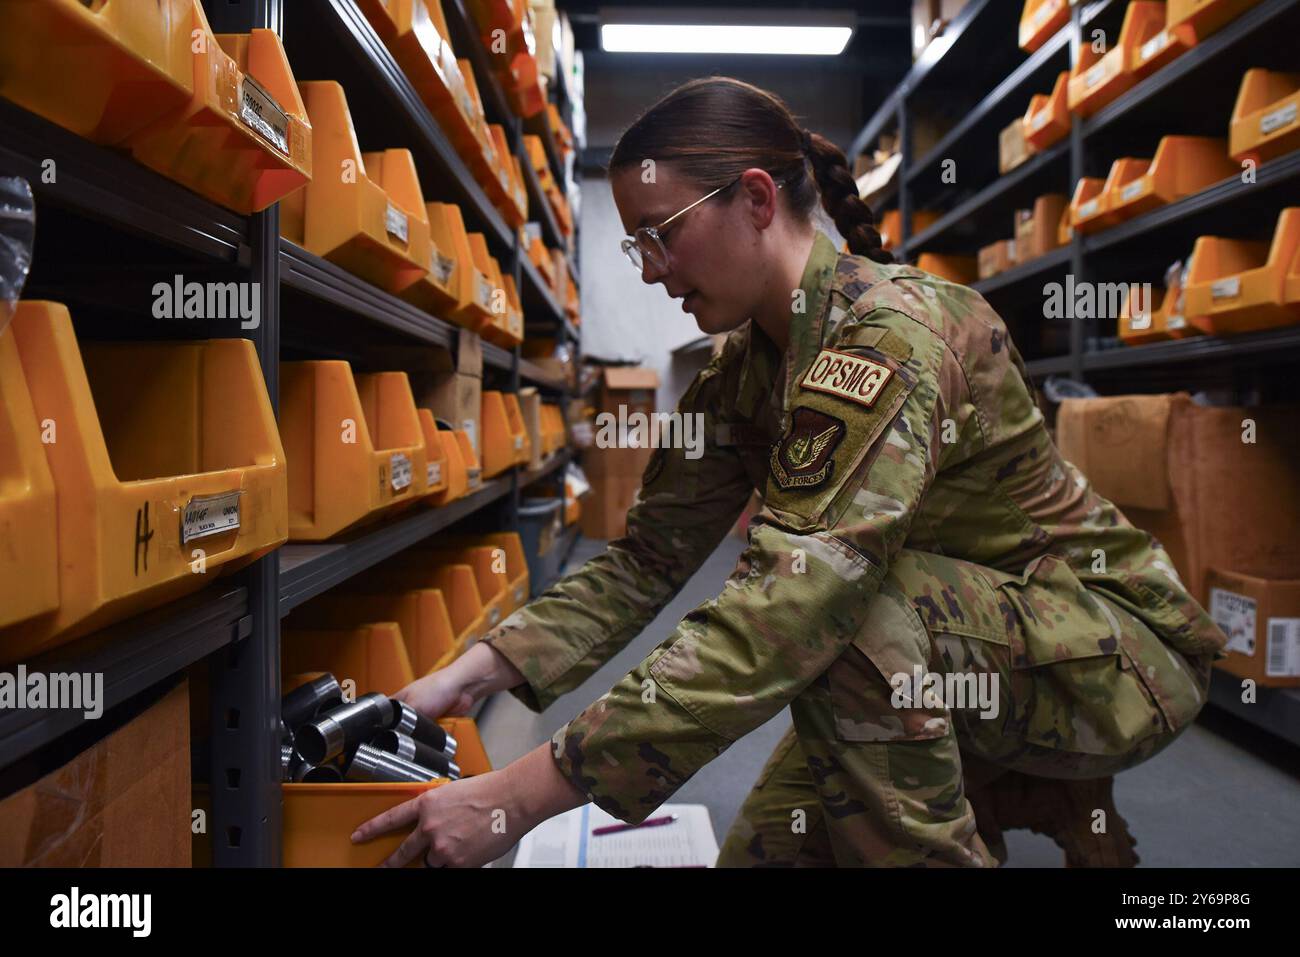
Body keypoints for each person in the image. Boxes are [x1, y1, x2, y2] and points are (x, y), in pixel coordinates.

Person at [351, 77, 1226, 868]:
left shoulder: (892, 336)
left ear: (758, 200)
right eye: (636, 250)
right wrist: (479, 669)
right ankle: (993, 780)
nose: (652, 271)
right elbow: (648, 559)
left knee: (842, 616)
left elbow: (793, 606)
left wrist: (520, 795)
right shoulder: (744, 373)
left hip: (1115, 651)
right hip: (950, 644)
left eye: (660, 235)